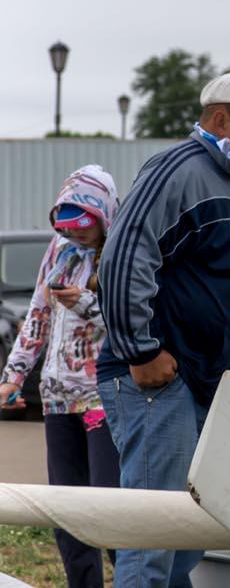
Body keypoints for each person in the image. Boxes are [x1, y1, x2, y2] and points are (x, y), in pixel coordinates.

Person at [98, 71, 230, 588]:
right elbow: (123, 256)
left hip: (212, 390)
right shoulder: (178, 168)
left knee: (189, 535)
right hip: (163, 383)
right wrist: (141, 351)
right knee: (154, 534)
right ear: (220, 119)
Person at [1, 166, 121, 587]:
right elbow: (37, 314)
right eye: (67, 229)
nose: (76, 238)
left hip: (102, 403)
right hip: (56, 403)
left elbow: (132, 323)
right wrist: (13, 377)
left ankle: (134, 579)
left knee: (107, 509)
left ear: (105, 216)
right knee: (66, 513)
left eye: (84, 230)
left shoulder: (122, 251)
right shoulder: (57, 250)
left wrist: (87, 303)